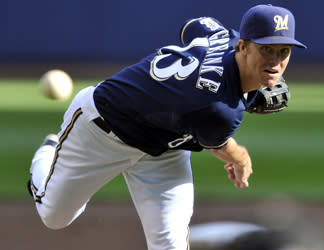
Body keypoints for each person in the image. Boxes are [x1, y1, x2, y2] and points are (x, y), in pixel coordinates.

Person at [28, 4, 306, 250]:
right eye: (266, 49)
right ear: (243, 46)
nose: (276, 60)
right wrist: (242, 158)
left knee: (170, 244)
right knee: (55, 216)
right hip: (101, 129)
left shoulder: (224, 36)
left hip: (164, 149)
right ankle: (48, 152)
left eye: (284, 51)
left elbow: (194, 25)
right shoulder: (219, 109)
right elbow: (224, 148)